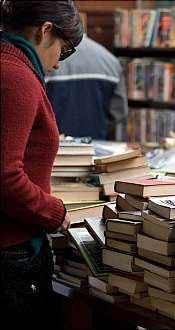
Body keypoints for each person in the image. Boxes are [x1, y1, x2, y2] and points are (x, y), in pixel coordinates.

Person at [0, 1, 83, 328]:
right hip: (11, 254)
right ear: (45, 30)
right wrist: (53, 212)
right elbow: (5, 176)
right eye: (63, 50)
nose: (59, 64)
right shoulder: (15, 76)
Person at [46, 32, 128, 141]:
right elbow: (119, 111)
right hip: (95, 145)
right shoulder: (110, 61)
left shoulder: (48, 60)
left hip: (56, 146)